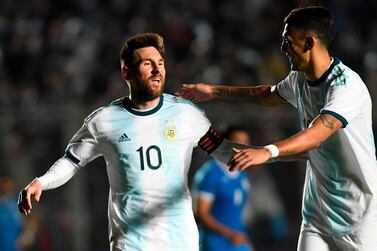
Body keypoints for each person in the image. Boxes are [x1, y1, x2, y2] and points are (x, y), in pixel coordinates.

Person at [17, 33, 245, 251]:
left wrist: (273, 152)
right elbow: (72, 161)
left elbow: (226, 153)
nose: (157, 70)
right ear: (126, 72)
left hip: (180, 241)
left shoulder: (186, 114)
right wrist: (41, 182)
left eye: (160, 62)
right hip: (132, 243)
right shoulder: (104, 120)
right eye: (147, 64)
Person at [176, 6, 377, 251]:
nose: (283, 49)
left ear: (309, 42)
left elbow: (320, 130)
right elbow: (265, 95)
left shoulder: (346, 86)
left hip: (359, 218)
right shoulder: (299, 79)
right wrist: (214, 91)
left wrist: (268, 151)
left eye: (287, 41)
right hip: (317, 217)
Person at [192, 126, 254, 251]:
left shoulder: (242, 176)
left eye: (245, 142)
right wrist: (229, 234)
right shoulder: (210, 173)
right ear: (227, 144)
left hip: (237, 241)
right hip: (215, 243)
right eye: (237, 141)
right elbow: (202, 214)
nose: (242, 146)